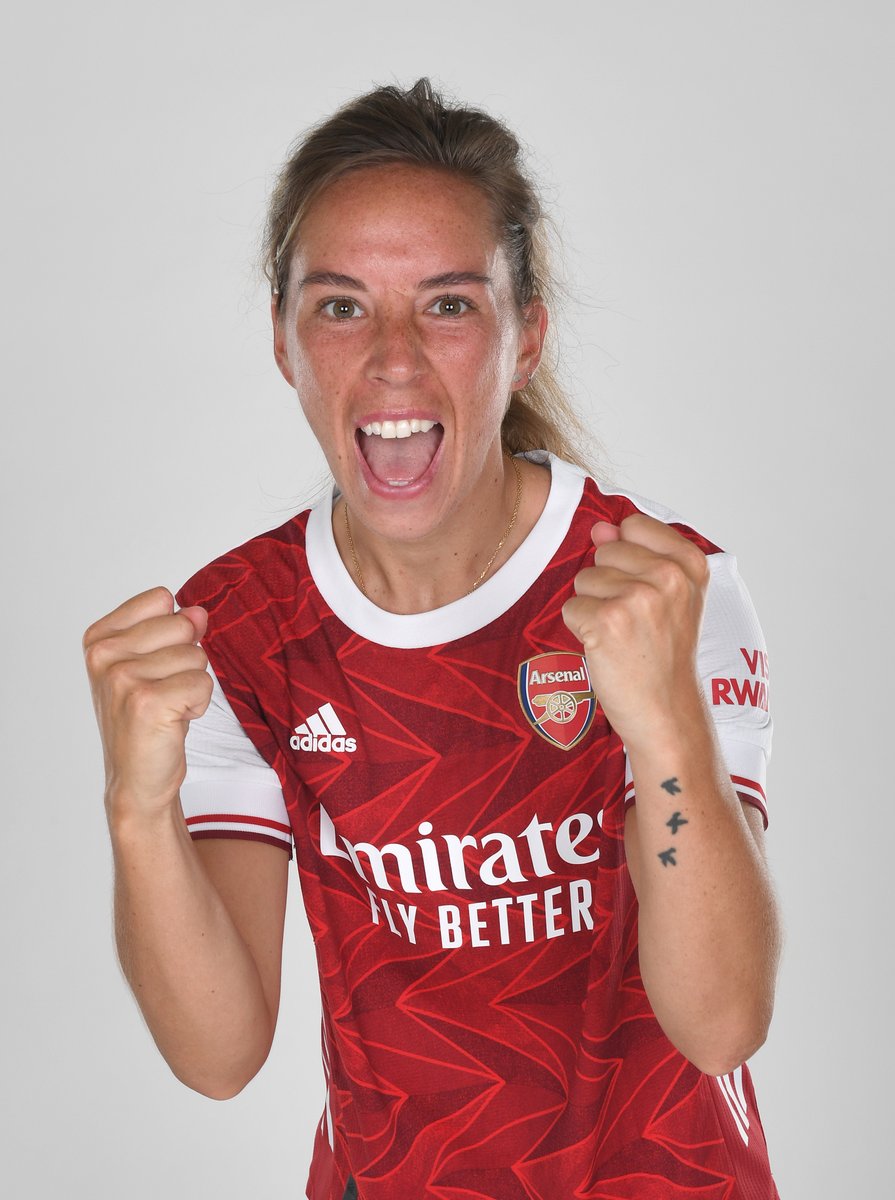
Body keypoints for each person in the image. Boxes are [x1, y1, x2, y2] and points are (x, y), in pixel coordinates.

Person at [83, 79, 781, 1200]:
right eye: (340, 306)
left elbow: (722, 1022)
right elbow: (217, 1056)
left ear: (525, 337)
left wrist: (665, 727)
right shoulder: (240, 627)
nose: (394, 356)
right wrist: (136, 807)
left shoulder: (655, 582)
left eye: (448, 304)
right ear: (284, 343)